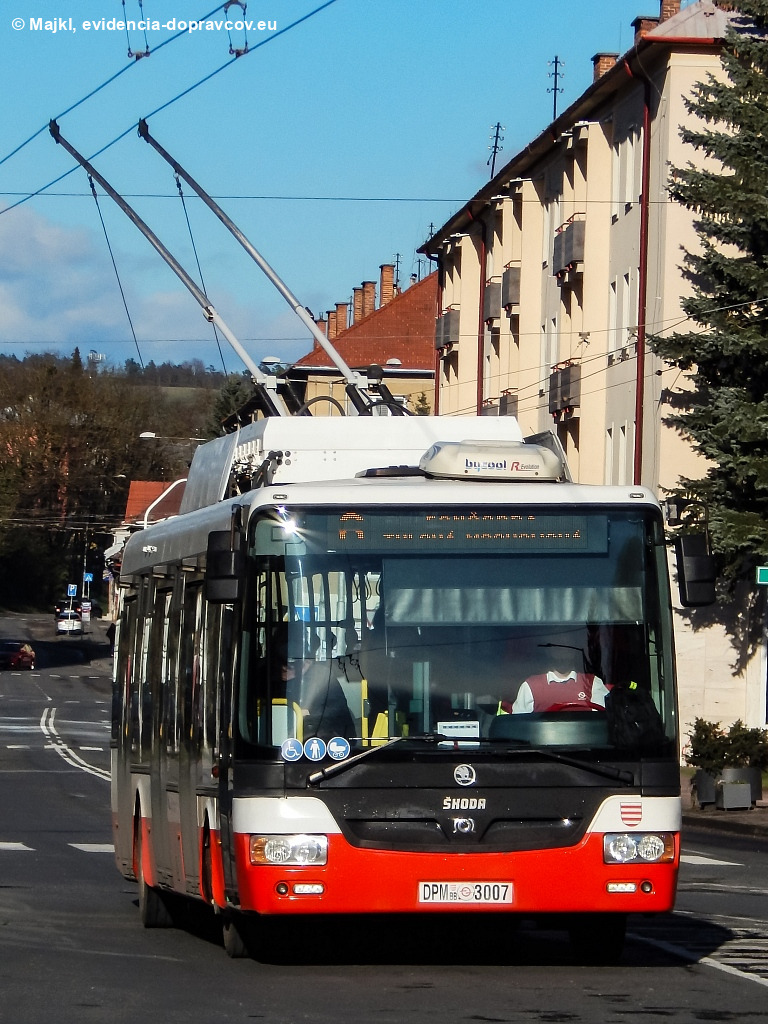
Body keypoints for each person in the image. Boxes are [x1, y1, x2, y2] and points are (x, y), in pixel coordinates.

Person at [498, 634, 609, 715]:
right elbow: (520, 725)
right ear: (549, 651)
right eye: (557, 647)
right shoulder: (531, 686)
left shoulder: (592, 683)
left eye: (566, 647)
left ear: (573, 651)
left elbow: (603, 721)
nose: (562, 652)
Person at [275, 647, 355, 741]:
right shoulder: (268, 675)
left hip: (323, 740)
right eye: (284, 665)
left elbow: (338, 711)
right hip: (278, 738)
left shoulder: (322, 676)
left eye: (291, 665)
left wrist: (309, 715)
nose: (284, 670)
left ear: (307, 662)